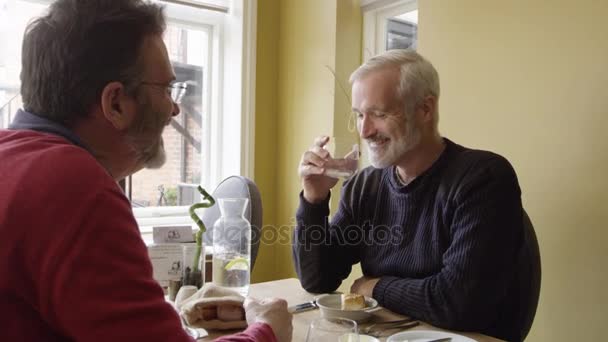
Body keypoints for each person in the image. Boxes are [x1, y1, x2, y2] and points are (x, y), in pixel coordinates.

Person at [0, 0, 292, 341]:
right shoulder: (73, 187)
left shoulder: (16, 159)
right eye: (167, 89)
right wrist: (267, 330)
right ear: (116, 103)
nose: (175, 108)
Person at [294, 50, 538, 342]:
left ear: (425, 109)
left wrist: (373, 287)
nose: (365, 130)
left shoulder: (484, 178)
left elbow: (459, 305)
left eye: (379, 114)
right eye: (359, 115)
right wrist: (313, 200)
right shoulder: (365, 185)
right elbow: (318, 279)